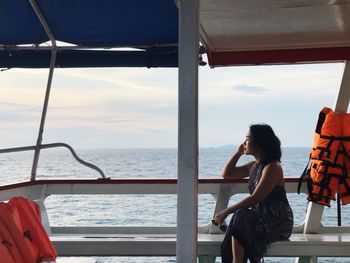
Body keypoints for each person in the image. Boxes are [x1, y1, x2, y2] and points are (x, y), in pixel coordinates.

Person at [213, 124, 293, 263]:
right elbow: (226, 174)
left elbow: (257, 197)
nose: (244, 142)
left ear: (259, 144)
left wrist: (226, 211)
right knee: (241, 217)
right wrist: (238, 153)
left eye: (248, 139)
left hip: (277, 222)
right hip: (260, 219)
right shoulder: (253, 166)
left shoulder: (273, 167)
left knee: (240, 215)